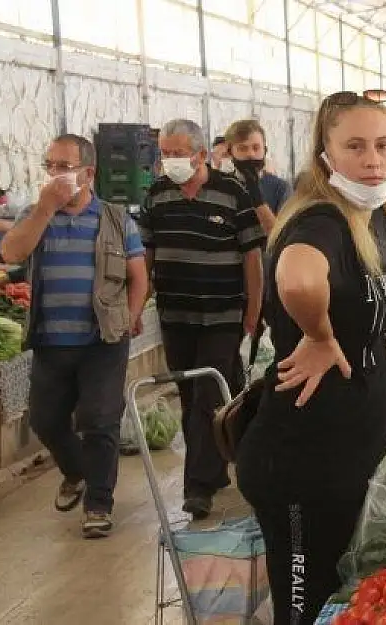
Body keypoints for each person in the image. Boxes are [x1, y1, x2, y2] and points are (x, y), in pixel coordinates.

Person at [236, 88, 386, 625]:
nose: (372, 159)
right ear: (325, 155)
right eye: (355, 146)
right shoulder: (322, 220)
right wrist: (317, 334)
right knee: (303, 602)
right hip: (300, 465)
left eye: (383, 146)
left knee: (336, 590)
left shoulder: (365, 214)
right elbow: (296, 276)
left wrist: (382, 194)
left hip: (345, 457)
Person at [0, 134, 148, 538]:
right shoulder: (36, 214)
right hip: (50, 340)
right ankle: (76, 472)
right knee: (47, 421)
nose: (55, 174)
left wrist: (132, 316)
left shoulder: (116, 219)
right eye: (50, 166)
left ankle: (99, 504)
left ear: (88, 173)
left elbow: (138, 275)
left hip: (103, 339)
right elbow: (11, 254)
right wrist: (46, 207)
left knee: (100, 420)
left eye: (64, 166)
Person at [140, 118, 266, 520]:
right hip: (176, 315)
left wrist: (253, 310)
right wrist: (139, 304)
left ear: (199, 154)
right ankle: (220, 467)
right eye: (165, 154)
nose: (171, 161)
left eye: (178, 153)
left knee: (207, 395)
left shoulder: (231, 193)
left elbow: (252, 257)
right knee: (193, 397)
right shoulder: (157, 195)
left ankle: (197, 487)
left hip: (222, 313)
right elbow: (147, 255)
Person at [225, 119, 293, 216]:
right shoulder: (223, 185)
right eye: (242, 148)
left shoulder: (281, 188)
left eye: (256, 148)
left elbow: (285, 229)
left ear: (265, 150)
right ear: (230, 152)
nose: (251, 154)